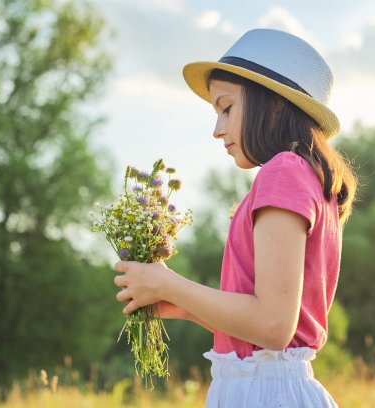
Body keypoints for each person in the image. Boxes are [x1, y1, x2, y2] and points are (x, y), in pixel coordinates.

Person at [113, 28, 357, 407]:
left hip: (264, 392)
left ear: (274, 104)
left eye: (227, 107)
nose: (217, 129)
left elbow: (274, 327)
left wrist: (169, 283)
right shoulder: (300, 174)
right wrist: (183, 306)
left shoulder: (284, 172)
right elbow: (265, 328)